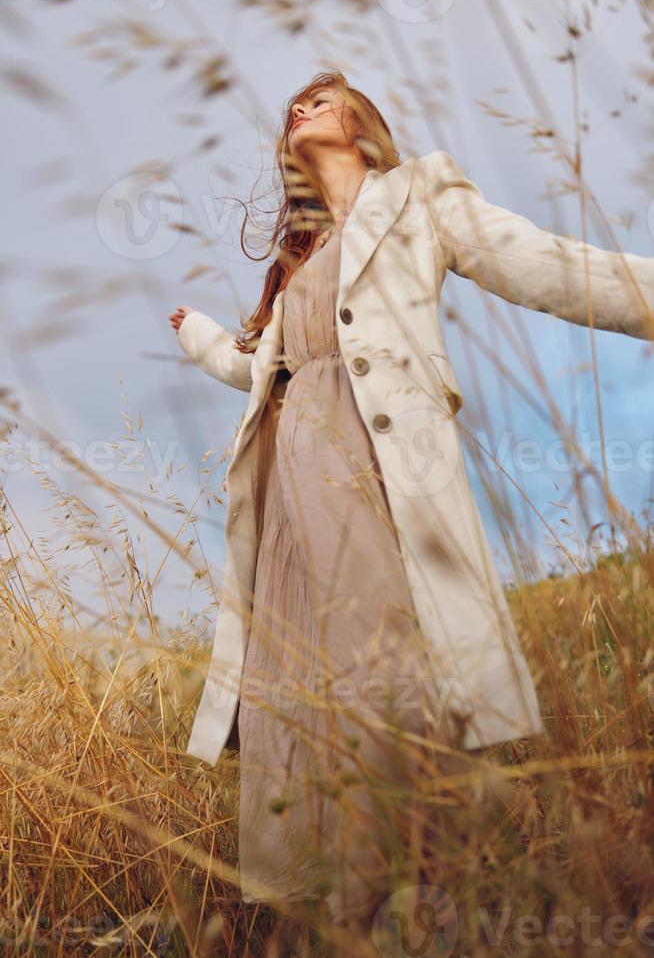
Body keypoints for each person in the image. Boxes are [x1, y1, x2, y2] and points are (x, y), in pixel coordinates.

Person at [169, 70, 654, 937]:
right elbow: (262, 373)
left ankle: (407, 889)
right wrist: (205, 340)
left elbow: (545, 264)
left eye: (320, 97)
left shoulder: (418, 195)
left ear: (360, 122)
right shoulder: (302, 259)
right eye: (292, 106)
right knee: (296, 680)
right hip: (291, 479)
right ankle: (319, 910)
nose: (299, 107)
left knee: (380, 659)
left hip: (375, 460)